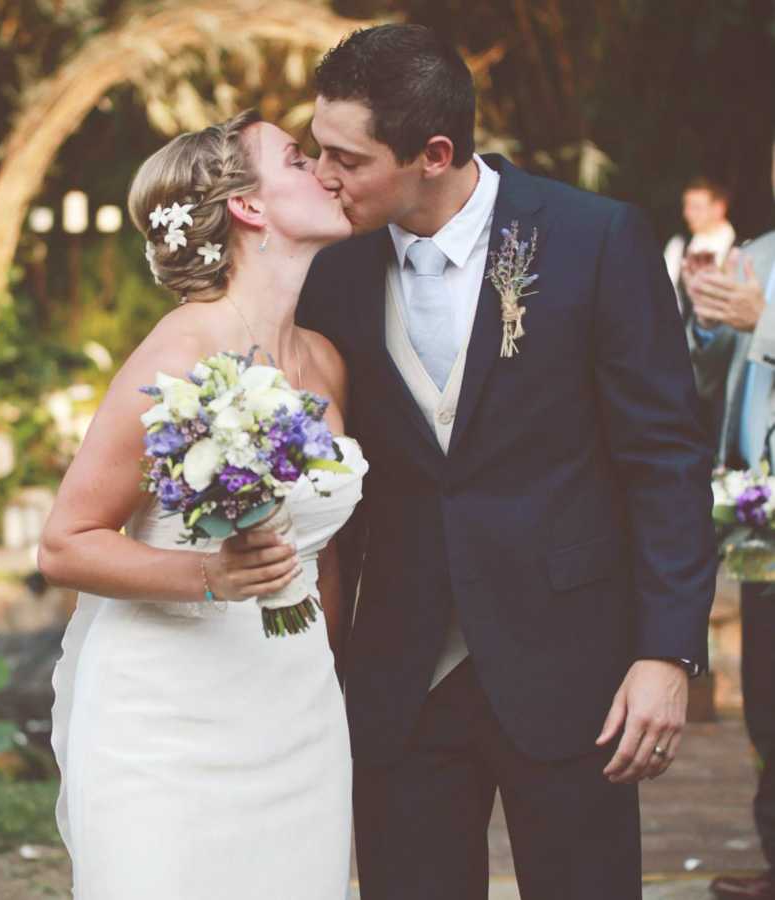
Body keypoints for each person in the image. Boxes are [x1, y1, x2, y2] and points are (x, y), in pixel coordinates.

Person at [298, 24, 716, 900]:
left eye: (346, 157)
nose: (322, 175)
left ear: (434, 153)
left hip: (573, 672)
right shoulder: (327, 271)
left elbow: (665, 457)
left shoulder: (593, 238)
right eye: (314, 151)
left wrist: (668, 653)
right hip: (400, 674)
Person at [40, 109, 367, 899]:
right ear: (249, 208)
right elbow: (64, 544)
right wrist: (211, 575)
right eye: (296, 158)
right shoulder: (180, 350)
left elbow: (318, 557)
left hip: (298, 709)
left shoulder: (323, 362)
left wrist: (331, 673)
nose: (324, 169)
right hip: (168, 719)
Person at [684, 230, 775, 900]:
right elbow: (710, 376)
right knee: (767, 700)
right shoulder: (759, 253)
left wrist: (764, 320)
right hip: (758, 514)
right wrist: (707, 323)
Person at [663, 177, 736, 318]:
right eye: (686, 206)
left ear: (719, 208)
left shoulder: (743, 249)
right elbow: (666, 297)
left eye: (696, 207)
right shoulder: (678, 246)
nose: (687, 214)